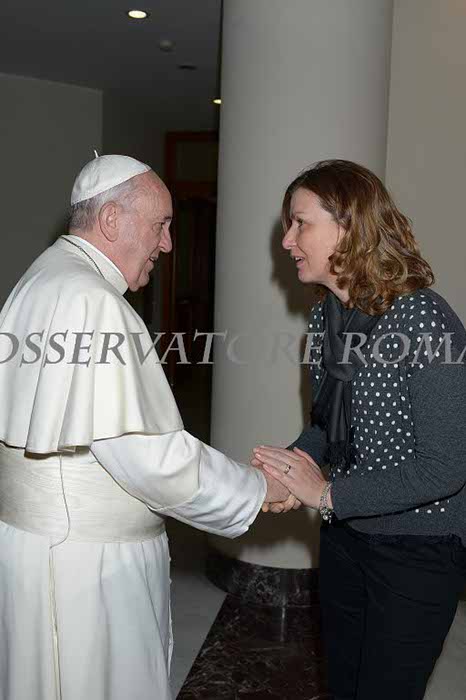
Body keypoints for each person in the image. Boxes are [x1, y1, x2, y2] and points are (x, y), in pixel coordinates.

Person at [0, 154, 289, 700]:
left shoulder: (41, 277)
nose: (168, 244)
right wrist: (257, 488)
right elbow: (153, 461)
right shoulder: (94, 303)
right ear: (111, 220)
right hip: (87, 566)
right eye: (161, 225)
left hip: (35, 549)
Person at [253, 160, 466, 700]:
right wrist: (285, 471)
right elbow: (326, 427)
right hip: (345, 537)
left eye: (300, 223)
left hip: (417, 551)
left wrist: (326, 494)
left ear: (349, 227)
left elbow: (445, 467)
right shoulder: (325, 318)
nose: (287, 240)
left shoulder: (424, 320)